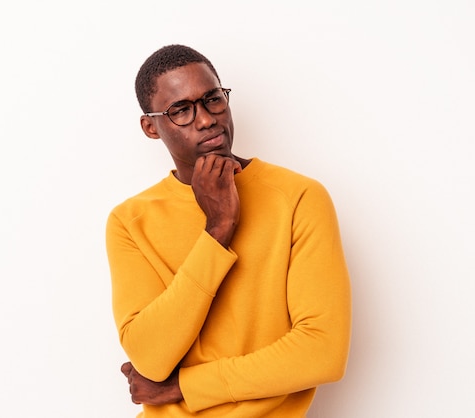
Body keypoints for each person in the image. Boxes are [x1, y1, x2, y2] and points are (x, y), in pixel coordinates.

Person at [105, 44, 351, 418]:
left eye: (213, 99)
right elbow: (150, 359)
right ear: (151, 127)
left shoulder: (299, 198)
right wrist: (217, 230)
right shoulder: (130, 220)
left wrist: (183, 386)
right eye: (181, 111)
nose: (205, 120)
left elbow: (322, 351)